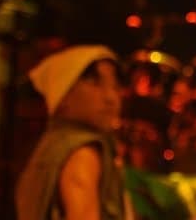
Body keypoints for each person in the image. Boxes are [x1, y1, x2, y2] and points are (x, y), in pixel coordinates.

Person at [15, 44, 133, 220]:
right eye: (94, 83)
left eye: (115, 86)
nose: (111, 98)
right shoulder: (82, 152)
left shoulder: (47, 148)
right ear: (63, 94)